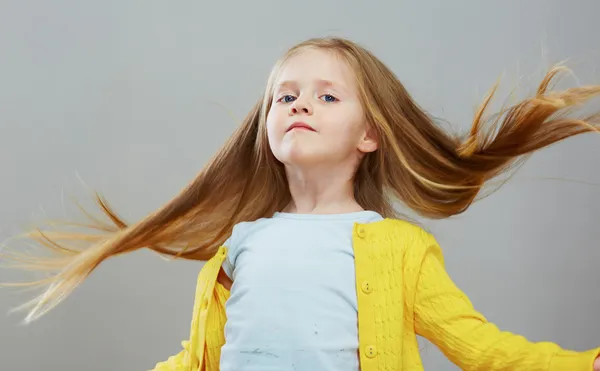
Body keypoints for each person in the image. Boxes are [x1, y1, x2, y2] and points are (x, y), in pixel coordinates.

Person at [2, 37, 600, 371]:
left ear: (370, 135)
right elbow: (197, 359)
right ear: (267, 127)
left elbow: (480, 347)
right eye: (284, 96)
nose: (299, 105)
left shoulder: (400, 250)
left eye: (327, 95)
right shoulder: (239, 247)